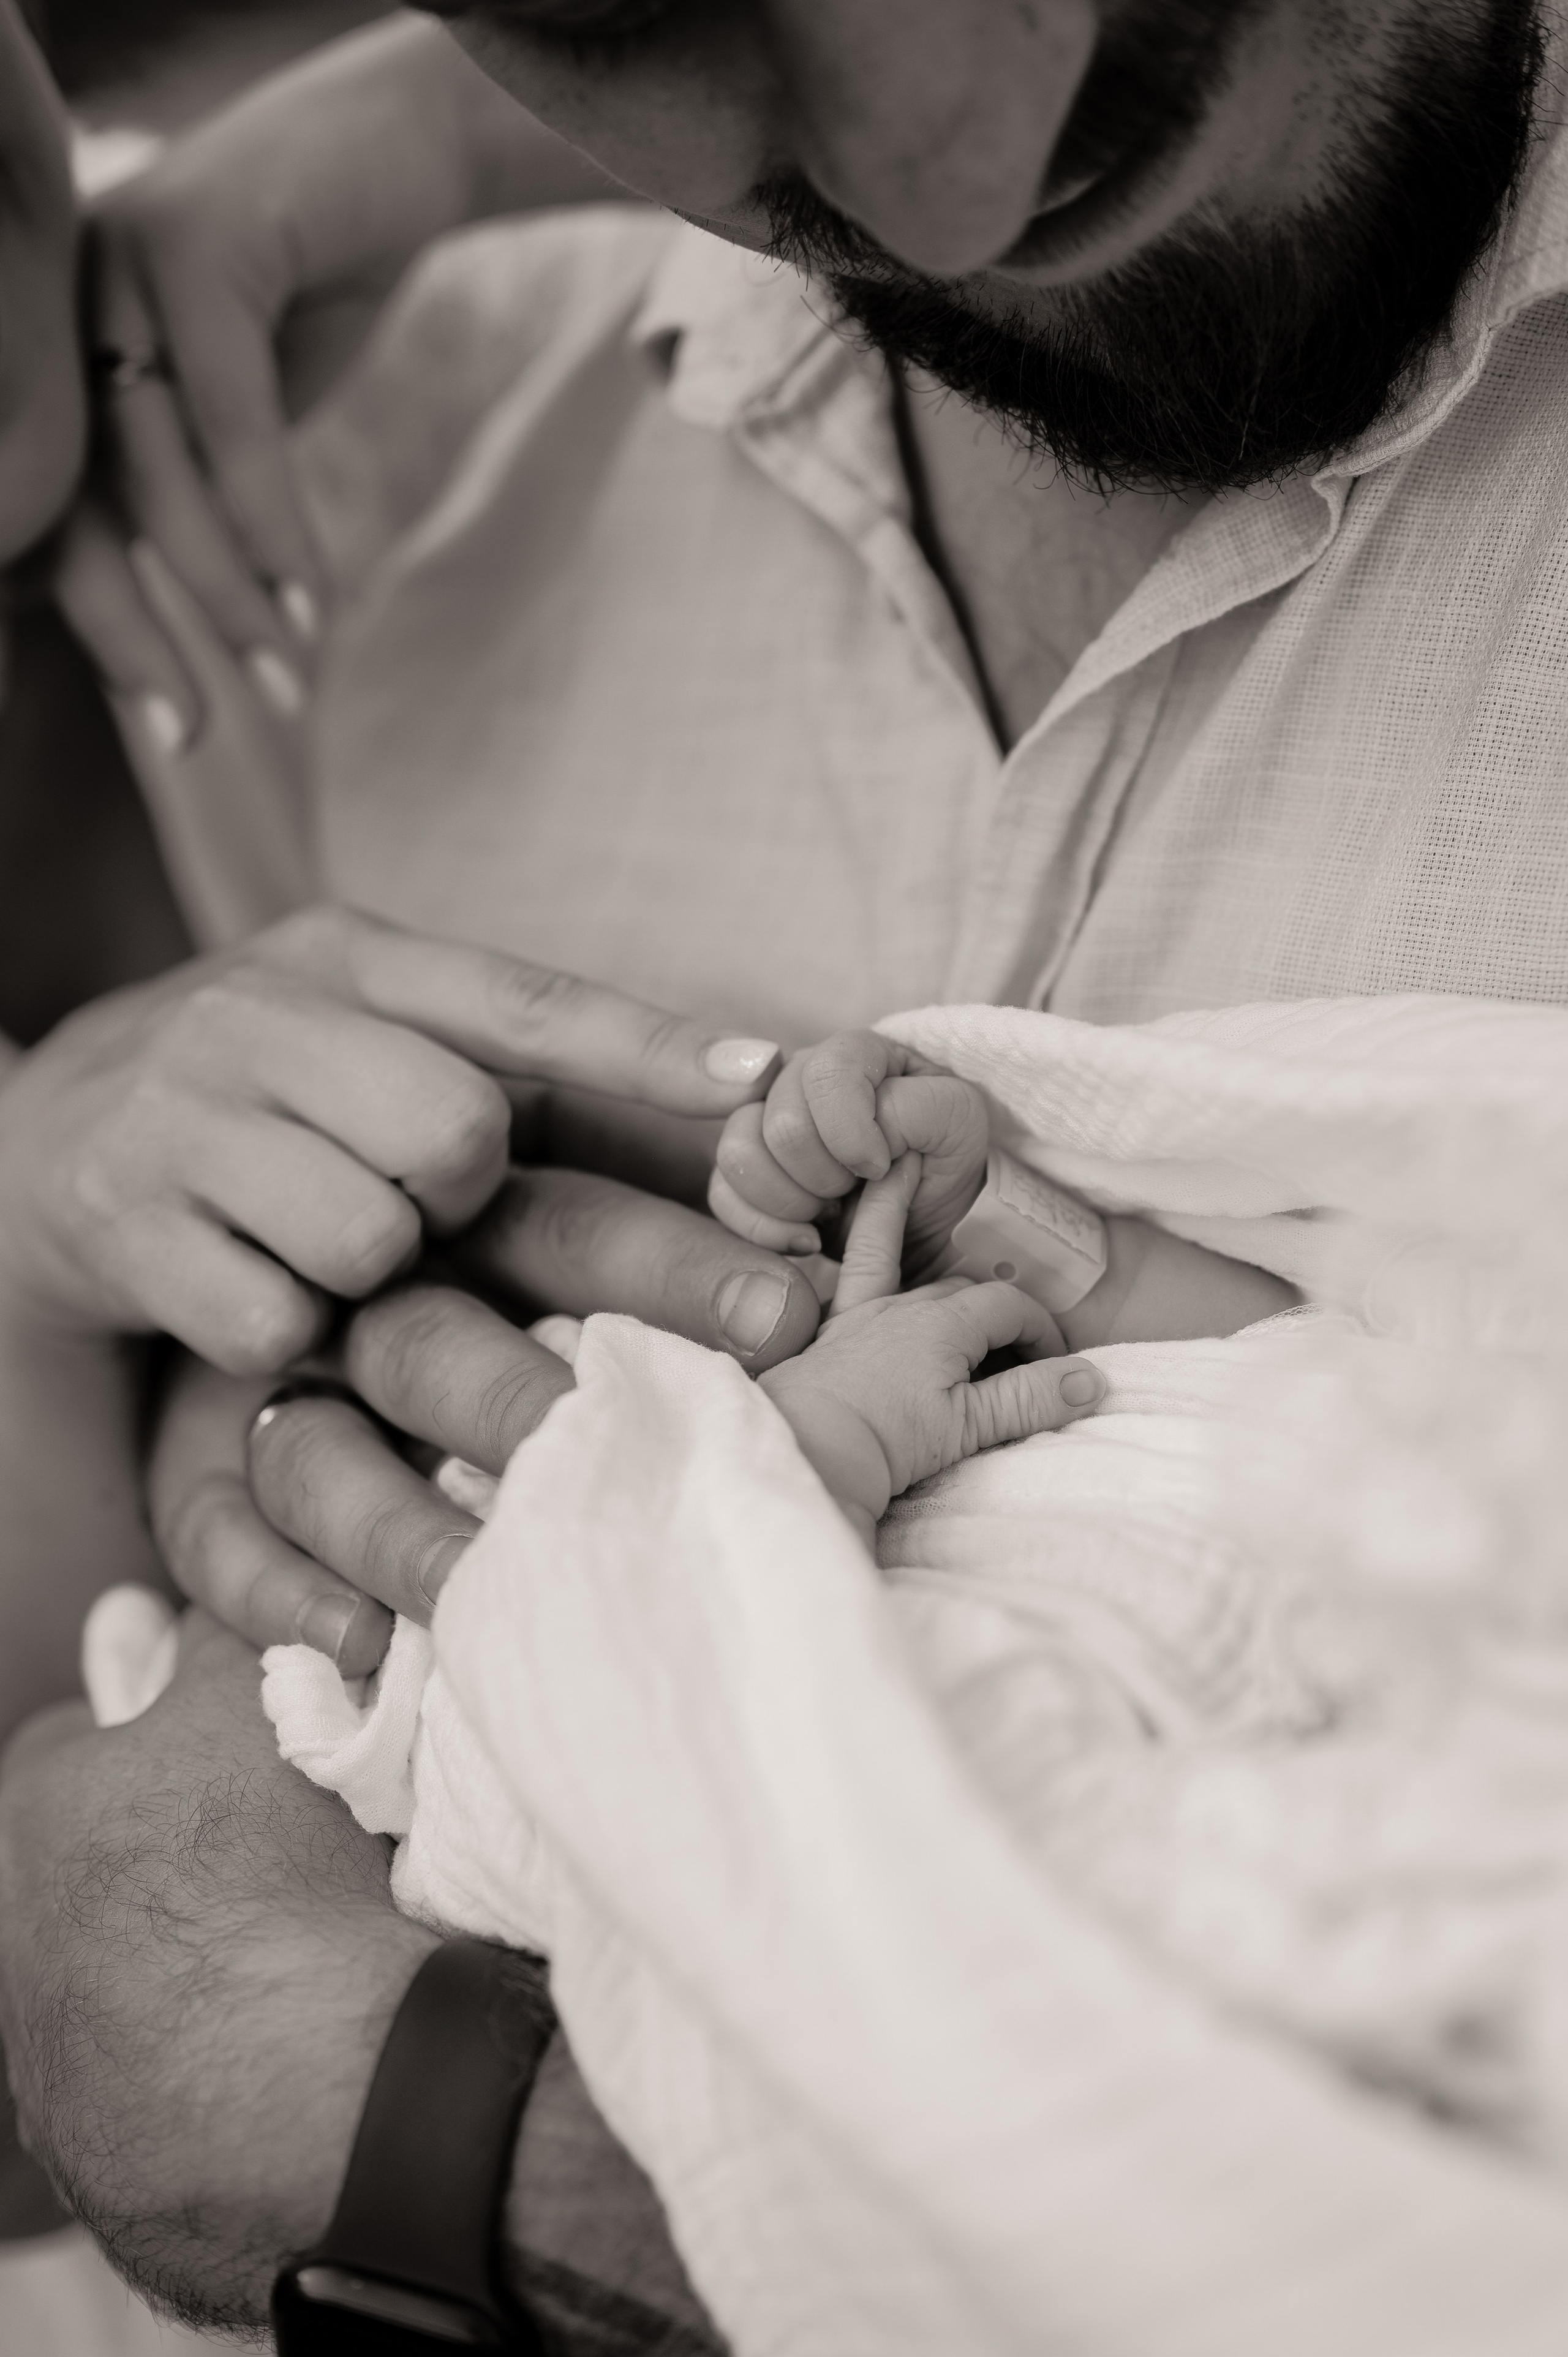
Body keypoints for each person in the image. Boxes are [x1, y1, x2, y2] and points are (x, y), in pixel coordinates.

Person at [9, 0, 1568, 2341]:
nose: (949, 192)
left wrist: (412, 2130)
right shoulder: (311, 495)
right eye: (617, 11)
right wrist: (47, 1256)